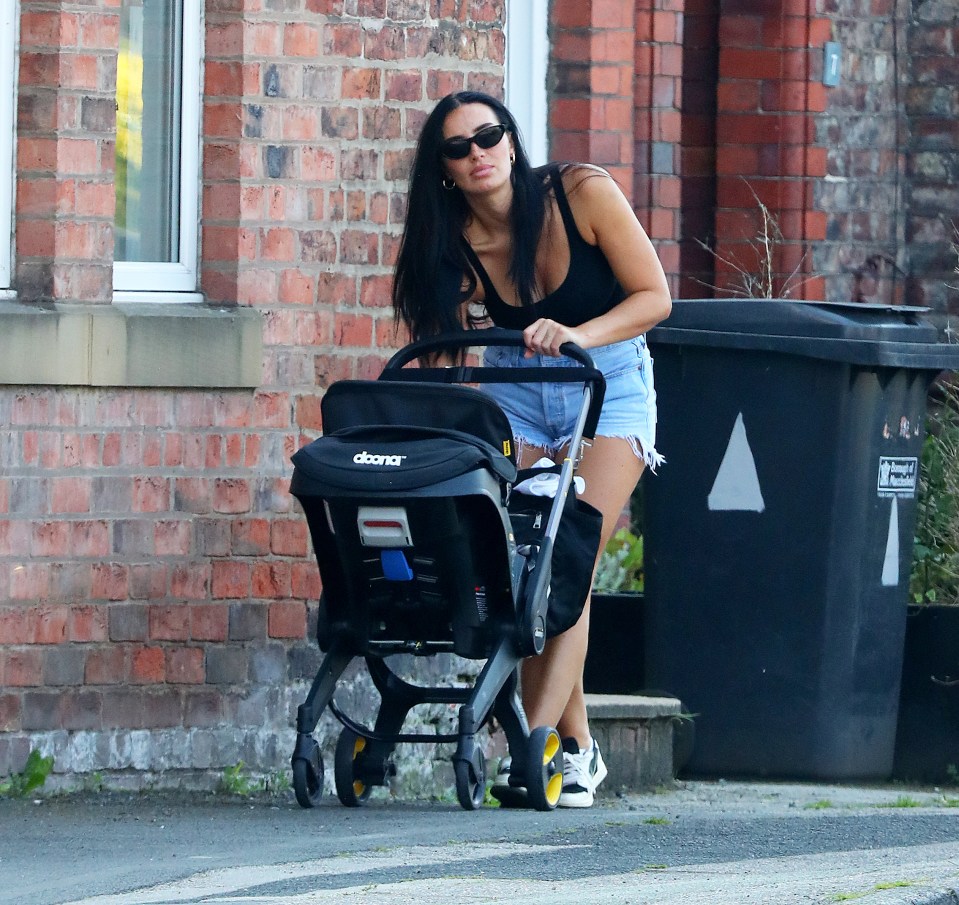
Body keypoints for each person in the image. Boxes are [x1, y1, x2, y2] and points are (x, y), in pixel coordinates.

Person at [391, 91, 672, 808]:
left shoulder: (580, 192)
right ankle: (570, 751)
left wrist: (581, 332)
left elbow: (653, 297)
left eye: (489, 136)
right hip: (516, 390)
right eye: (458, 147)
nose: (477, 152)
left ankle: (529, 743)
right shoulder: (452, 242)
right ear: (444, 169)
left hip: (606, 380)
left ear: (511, 143)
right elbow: (447, 351)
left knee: (568, 548)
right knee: (532, 561)